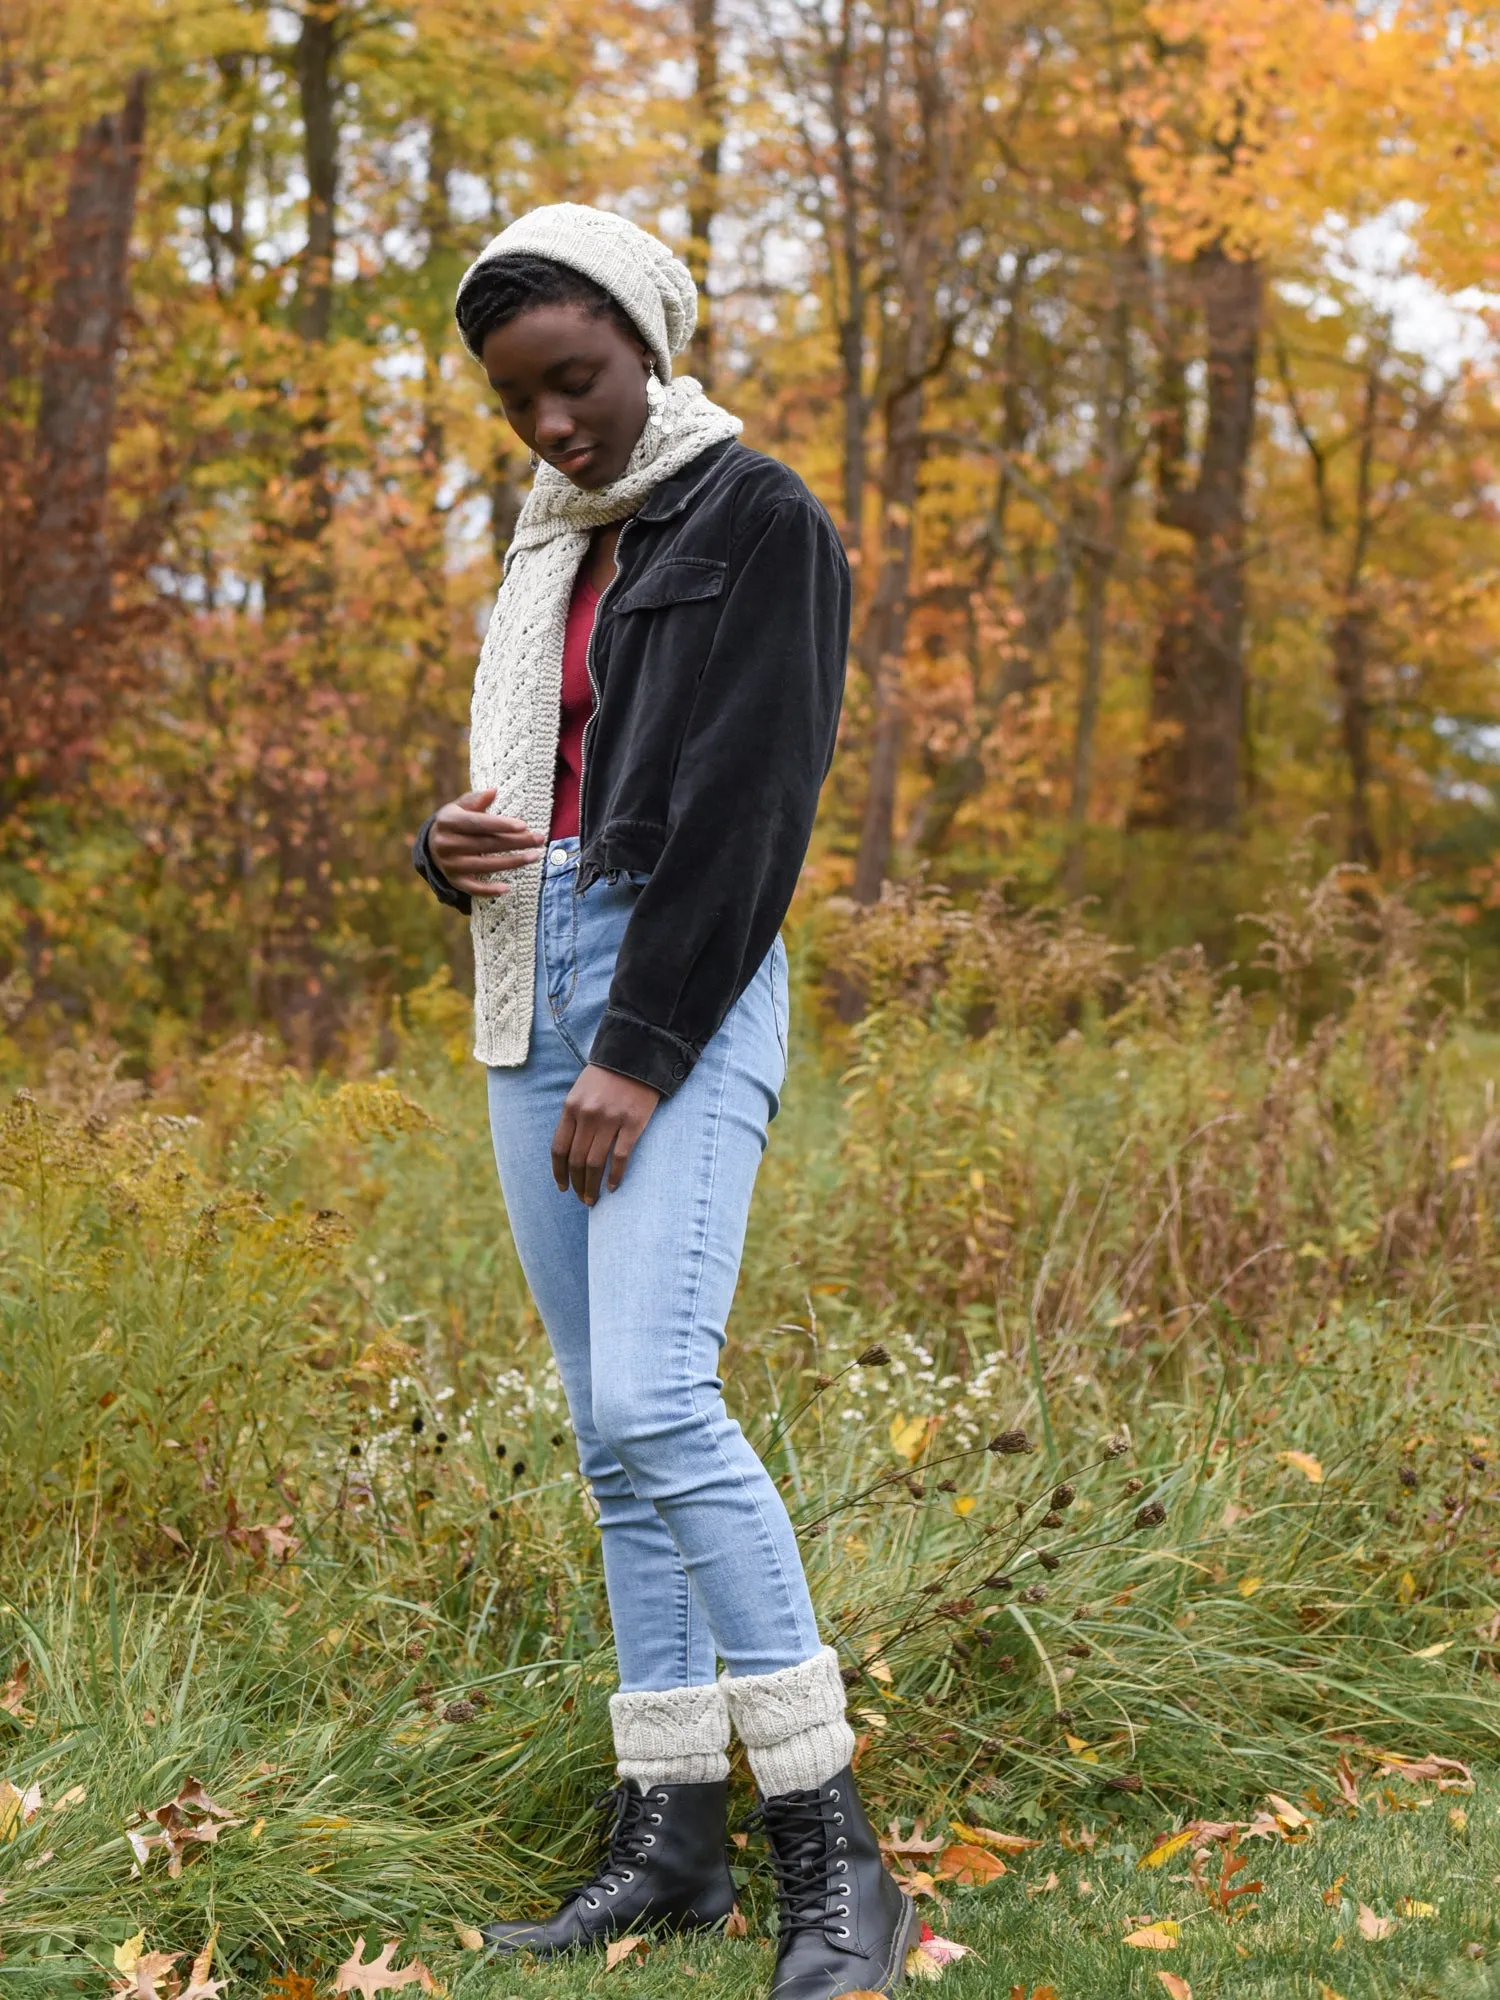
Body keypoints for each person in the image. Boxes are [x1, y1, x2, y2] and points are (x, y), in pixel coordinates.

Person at [412, 203, 915, 2000]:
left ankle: (833, 1854)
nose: (553, 426)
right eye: (519, 401)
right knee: (608, 1438)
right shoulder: (551, 548)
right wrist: (447, 844)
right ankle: (668, 1843)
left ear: (647, 343)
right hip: (525, 966)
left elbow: (751, 810)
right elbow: (533, 787)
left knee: (655, 1392)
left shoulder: (759, 519)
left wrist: (638, 1050)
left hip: (670, 980)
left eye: (579, 381)